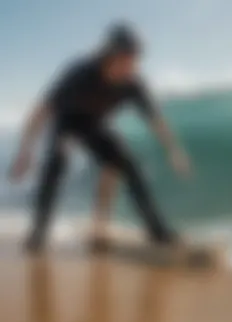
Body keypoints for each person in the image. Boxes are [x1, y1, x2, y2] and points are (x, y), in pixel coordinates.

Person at [9, 22, 191, 252]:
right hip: (67, 122)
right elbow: (41, 112)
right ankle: (38, 232)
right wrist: (25, 151)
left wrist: (174, 150)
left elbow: (156, 120)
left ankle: (157, 231)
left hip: (94, 124)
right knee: (57, 163)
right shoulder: (80, 73)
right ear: (109, 55)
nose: (130, 66)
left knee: (129, 166)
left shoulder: (133, 83)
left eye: (134, 60)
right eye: (125, 59)